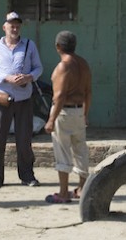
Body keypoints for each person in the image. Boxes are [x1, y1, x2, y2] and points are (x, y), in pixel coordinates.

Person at [0, 11, 44, 189]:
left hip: (24, 98)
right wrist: (6, 78)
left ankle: (27, 175)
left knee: (24, 139)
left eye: (17, 25)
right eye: (11, 25)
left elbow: (38, 68)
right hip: (2, 98)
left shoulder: (29, 45)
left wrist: (29, 77)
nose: (15, 28)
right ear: (5, 27)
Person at [44, 30, 92, 204]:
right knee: (80, 151)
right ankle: (82, 189)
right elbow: (88, 92)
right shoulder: (84, 64)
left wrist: (51, 120)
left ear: (58, 47)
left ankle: (63, 193)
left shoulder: (63, 66)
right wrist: (85, 114)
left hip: (63, 112)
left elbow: (59, 96)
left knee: (62, 151)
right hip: (79, 111)